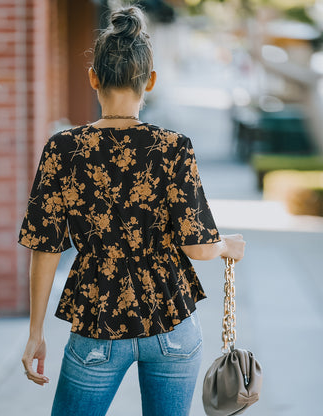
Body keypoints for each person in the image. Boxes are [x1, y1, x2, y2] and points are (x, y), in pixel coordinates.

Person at [18, 5, 245, 416]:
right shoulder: (174, 148)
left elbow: (45, 246)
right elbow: (198, 246)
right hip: (173, 324)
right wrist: (229, 245)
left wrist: (35, 333)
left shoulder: (63, 149)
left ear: (93, 78)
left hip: (97, 324)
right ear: (150, 81)